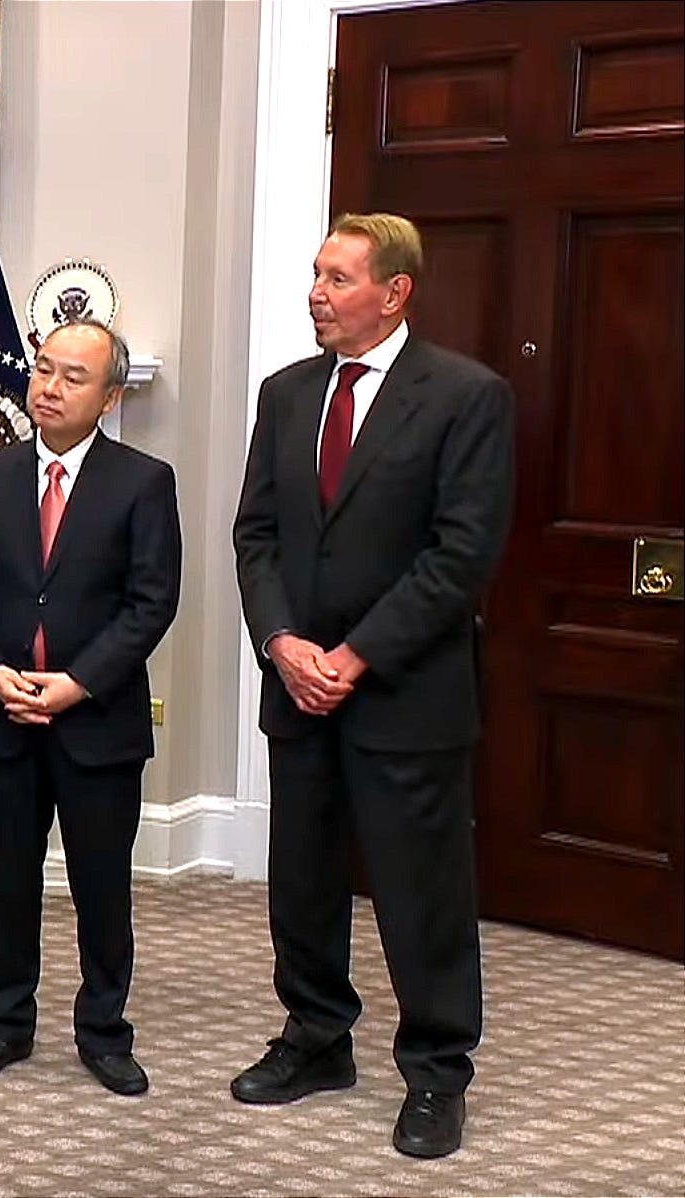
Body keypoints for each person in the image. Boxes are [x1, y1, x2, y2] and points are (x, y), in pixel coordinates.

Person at [231, 212, 514, 1159]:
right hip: (297, 685)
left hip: (406, 694)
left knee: (420, 892)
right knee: (304, 882)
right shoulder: (284, 394)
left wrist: (352, 658)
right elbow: (257, 535)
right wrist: (281, 642)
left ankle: (437, 1073)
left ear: (394, 292)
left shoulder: (466, 396)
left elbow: (459, 557)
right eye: (315, 275)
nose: (316, 293)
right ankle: (316, 1038)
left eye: (338, 279)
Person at [0, 319, 181, 1096]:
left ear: (109, 398)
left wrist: (79, 681)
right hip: (5, 717)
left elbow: (151, 604)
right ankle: (3, 1022)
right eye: (43, 369)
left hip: (97, 723)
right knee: (9, 883)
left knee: (101, 887)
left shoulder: (143, 481)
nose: (49, 386)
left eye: (73, 377)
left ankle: (104, 1032)